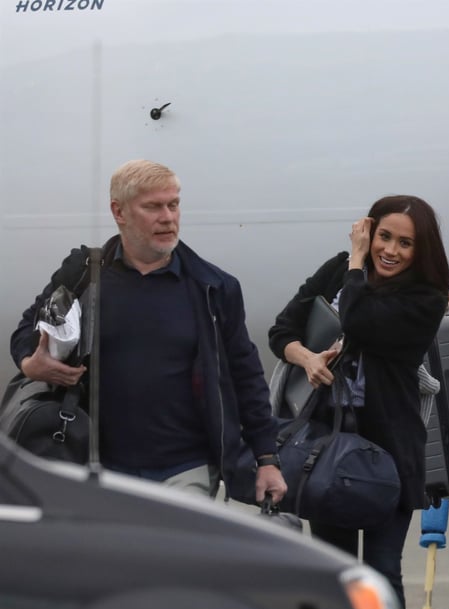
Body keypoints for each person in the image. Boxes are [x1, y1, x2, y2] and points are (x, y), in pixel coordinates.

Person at [10, 159, 286, 503]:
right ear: (119, 212)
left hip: (187, 467)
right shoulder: (83, 276)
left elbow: (246, 375)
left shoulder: (212, 287)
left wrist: (267, 458)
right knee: (110, 558)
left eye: (173, 204)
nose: (168, 217)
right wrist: (29, 363)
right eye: (153, 206)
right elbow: (26, 330)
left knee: (178, 558)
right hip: (100, 465)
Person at [268, 195, 449, 609]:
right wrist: (307, 357)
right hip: (328, 448)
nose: (390, 250)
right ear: (370, 231)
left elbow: (359, 319)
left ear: (420, 251)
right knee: (337, 572)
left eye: (405, 244)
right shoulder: (337, 270)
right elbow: (282, 330)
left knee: (382, 572)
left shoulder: (426, 298)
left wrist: (356, 262)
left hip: (389, 451)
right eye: (384, 237)